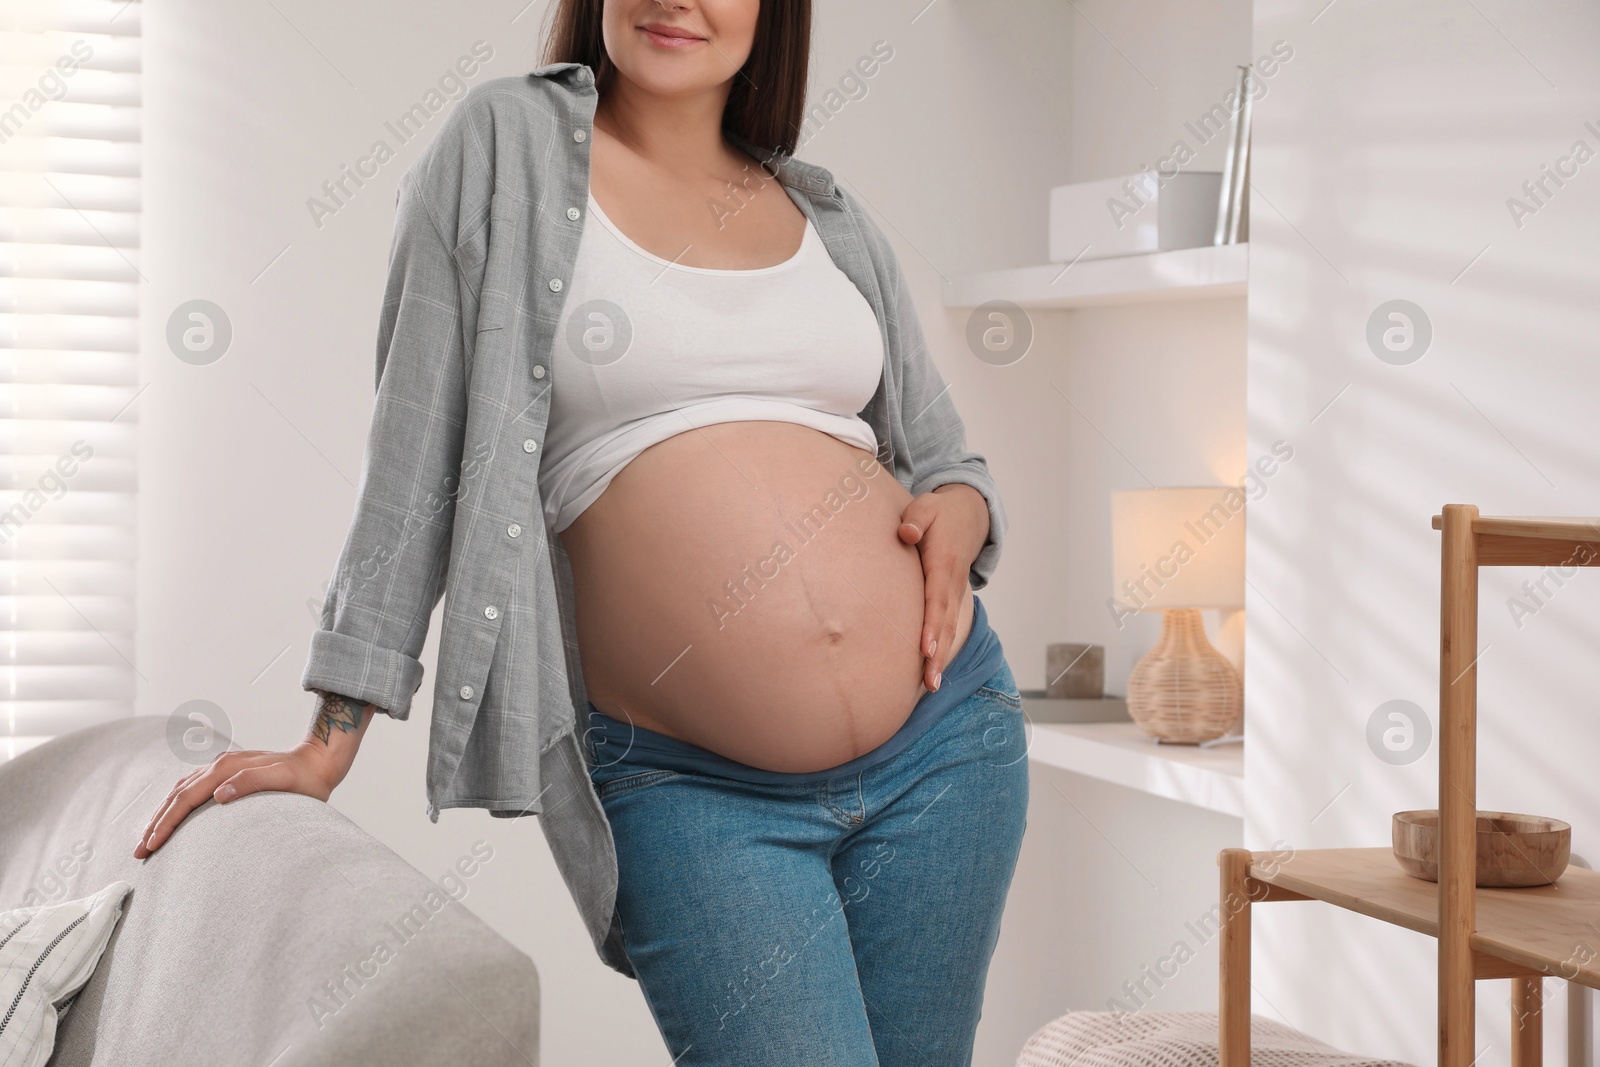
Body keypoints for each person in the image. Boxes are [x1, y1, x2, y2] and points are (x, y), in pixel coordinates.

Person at [136, 1, 1029, 1062]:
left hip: (946, 746)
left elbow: (944, 459)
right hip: (693, 787)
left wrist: (967, 506)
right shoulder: (503, 147)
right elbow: (413, 453)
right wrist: (327, 742)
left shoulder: (827, 216)